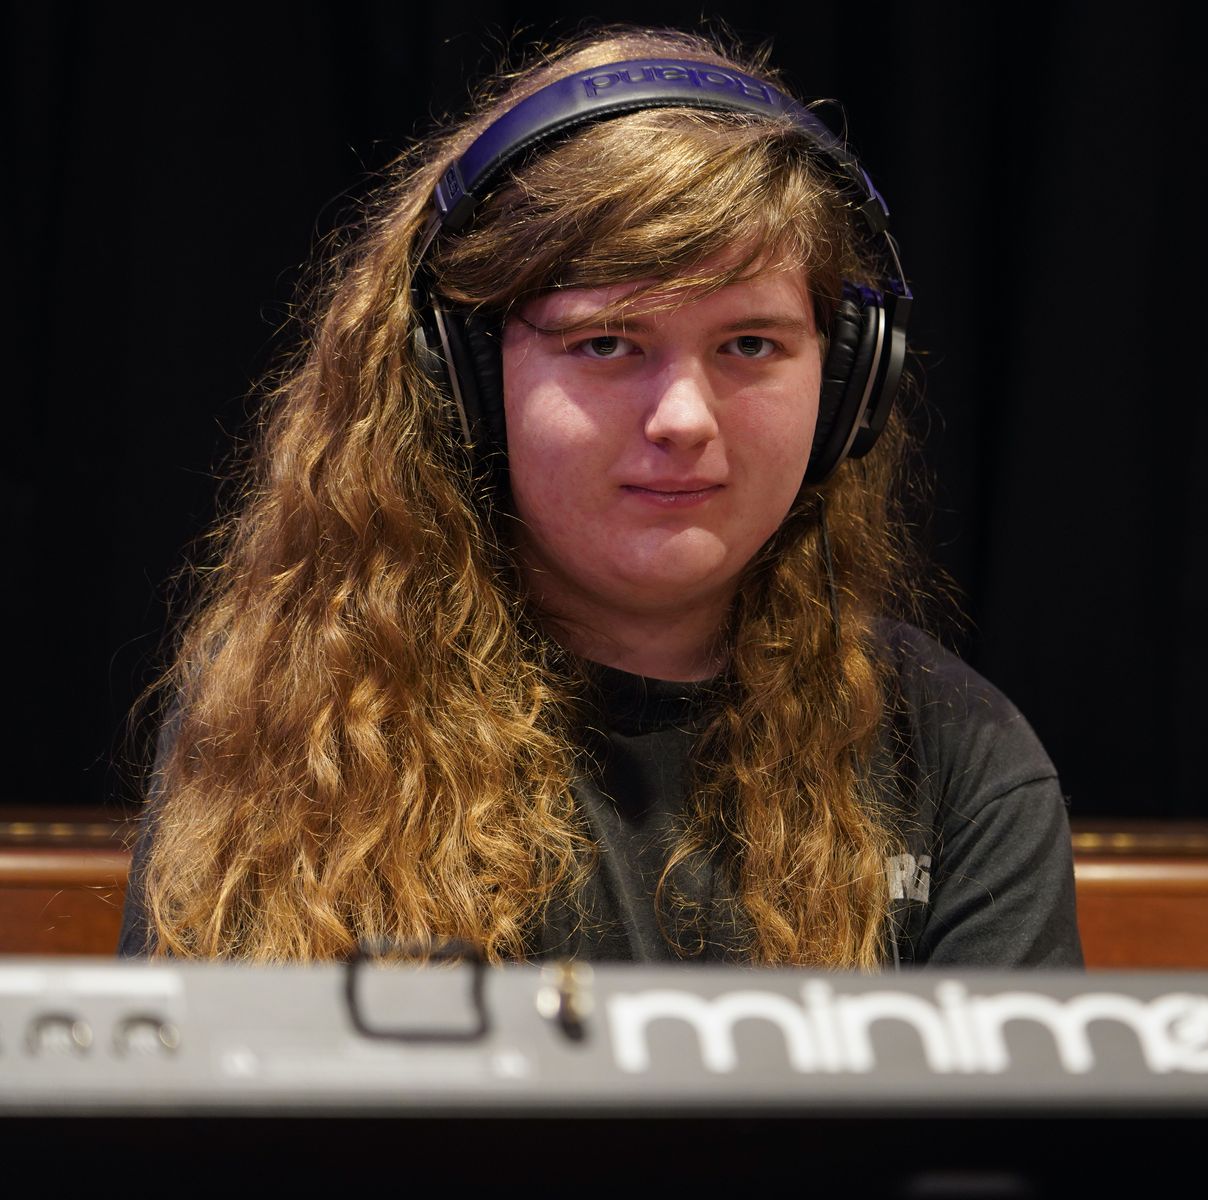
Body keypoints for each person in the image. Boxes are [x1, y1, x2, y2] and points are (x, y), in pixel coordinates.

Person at [118, 27, 1081, 968]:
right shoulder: (295, 720)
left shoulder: (955, 756)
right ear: (463, 377)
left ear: (849, 383)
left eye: (750, 344)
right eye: (607, 342)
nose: (683, 419)